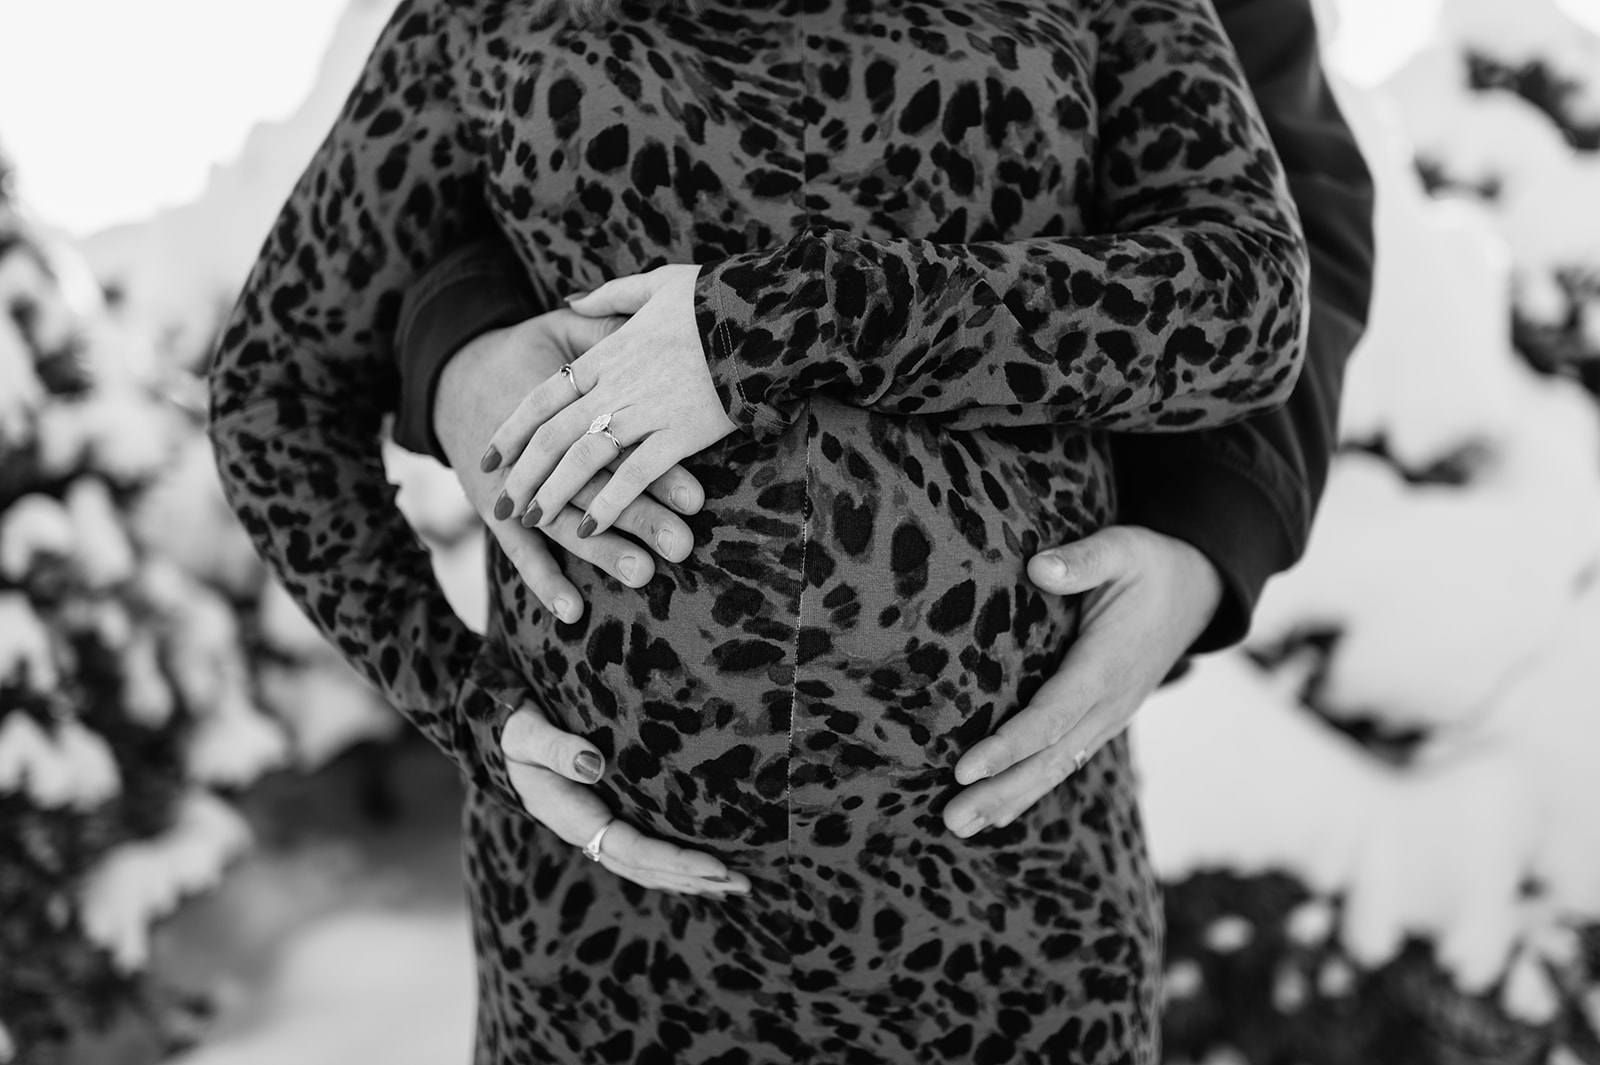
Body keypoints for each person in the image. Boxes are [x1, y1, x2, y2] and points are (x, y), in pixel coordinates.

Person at [207, 0, 1371, 1061]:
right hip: (610, 957)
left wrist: (789, 320)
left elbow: (1255, 294)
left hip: (1007, 926)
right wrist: (463, 700)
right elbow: (276, 387)